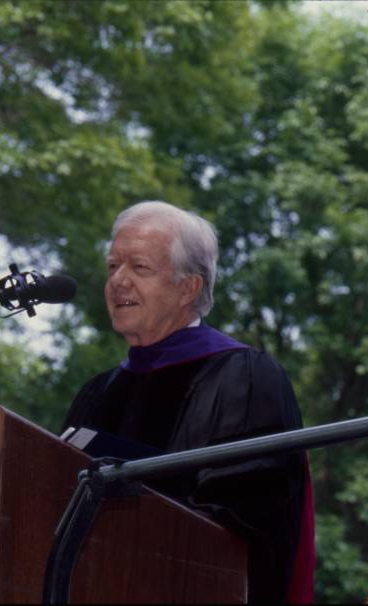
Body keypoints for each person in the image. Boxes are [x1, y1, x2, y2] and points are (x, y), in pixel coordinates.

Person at [62, 201, 314, 603]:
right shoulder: (98, 392)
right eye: (113, 267)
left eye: (139, 268)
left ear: (188, 288)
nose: (118, 281)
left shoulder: (244, 378)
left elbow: (246, 525)